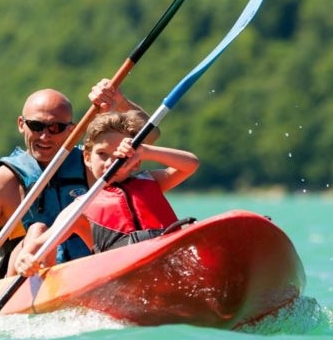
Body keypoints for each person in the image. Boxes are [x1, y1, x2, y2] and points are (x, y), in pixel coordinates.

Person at [0, 80, 144, 290]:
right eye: (36, 126)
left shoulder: (90, 164)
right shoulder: (1, 182)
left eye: (55, 128)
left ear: (71, 130)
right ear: (21, 124)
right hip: (22, 281)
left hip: (87, 274)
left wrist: (120, 103)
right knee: (37, 230)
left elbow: (145, 138)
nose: (45, 136)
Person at [11, 110, 199, 276]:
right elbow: (40, 244)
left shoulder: (150, 181)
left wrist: (145, 151)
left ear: (136, 161)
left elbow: (191, 164)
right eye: (102, 154)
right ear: (87, 158)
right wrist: (25, 259)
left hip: (168, 263)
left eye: (119, 155)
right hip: (122, 276)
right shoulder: (80, 207)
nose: (110, 162)